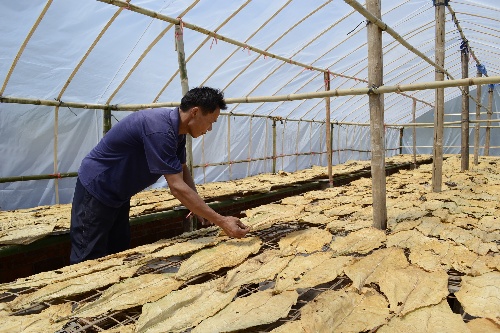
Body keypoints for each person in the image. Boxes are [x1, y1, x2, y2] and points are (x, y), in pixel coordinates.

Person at [70, 87, 249, 264]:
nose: (209, 129)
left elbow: (182, 169)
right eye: (211, 122)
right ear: (195, 112)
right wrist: (222, 221)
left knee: (118, 250)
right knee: (89, 256)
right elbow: (177, 186)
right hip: (97, 189)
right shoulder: (160, 129)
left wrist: (197, 206)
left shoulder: (177, 133)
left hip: (118, 194)